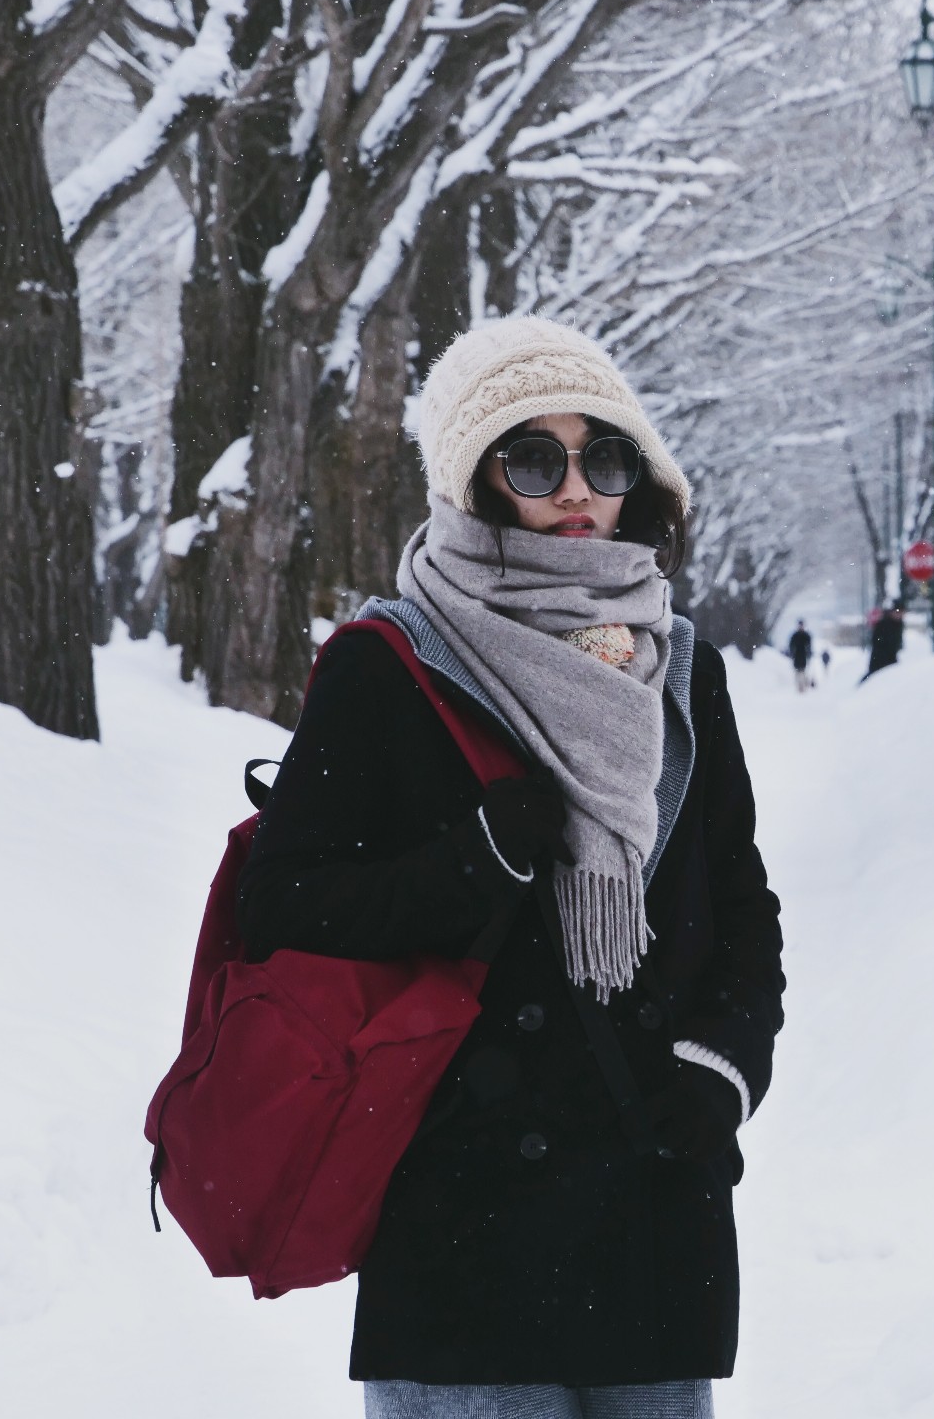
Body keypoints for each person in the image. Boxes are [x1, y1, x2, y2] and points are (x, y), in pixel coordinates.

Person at [239, 318, 784, 1419]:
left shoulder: (682, 671)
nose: (577, 487)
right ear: (474, 479)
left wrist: (716, 1078)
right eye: (534, 457)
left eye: (607, 455)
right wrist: (473, 859)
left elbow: (737, 903)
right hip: (460, 1204)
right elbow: (283, 907)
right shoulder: (387, 666)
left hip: (649, 1193)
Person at [861, 600, 904, 683]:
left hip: (888, 661)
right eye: (897, 611)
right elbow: (879, 644)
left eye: (902, 612)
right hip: (880, 661)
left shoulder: (898, 624)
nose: (900, 615)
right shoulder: (884, 625)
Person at [787, 619, 814, 692]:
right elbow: (791, 646)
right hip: (796, 656)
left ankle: (802, 685)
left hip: (803, 656)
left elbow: (809, 646)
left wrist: (809, 654)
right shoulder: (794, 636)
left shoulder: (806, 635)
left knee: (802, 671)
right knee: (797, 671)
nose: (800, 627)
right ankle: (799, 685)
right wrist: (792, 654)